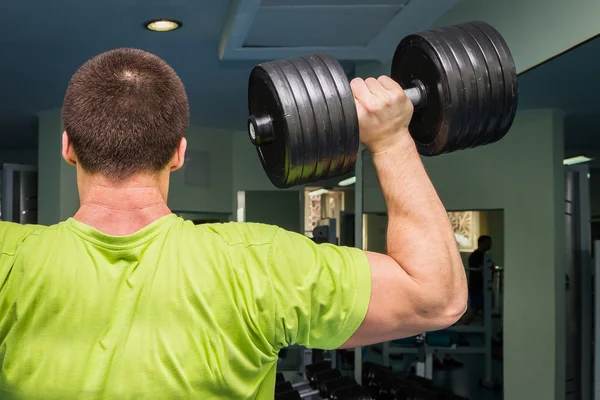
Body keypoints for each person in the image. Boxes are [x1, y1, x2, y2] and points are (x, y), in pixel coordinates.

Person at [0, 48, 467, 399]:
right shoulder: (258, 264)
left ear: (67, 148)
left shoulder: (9, 259)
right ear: (179, 154)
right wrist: (389, 140)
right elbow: (436, 298)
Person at [461, 235, 493, 325]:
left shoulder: (482, 255)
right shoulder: (476, 256)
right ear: (482, 243)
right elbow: (484, 270)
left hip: (481, 288)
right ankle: (459, 327)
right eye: (489, 242)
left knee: (484, 311)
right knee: (474, 310)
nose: (491, 245)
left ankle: (486, 335)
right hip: (477, 287)